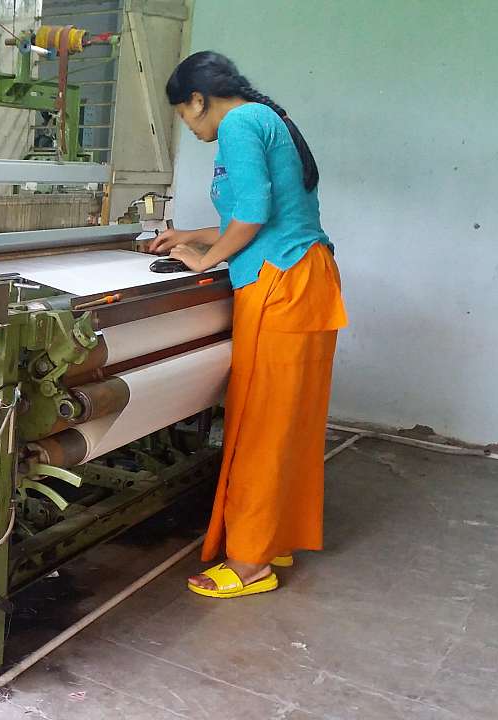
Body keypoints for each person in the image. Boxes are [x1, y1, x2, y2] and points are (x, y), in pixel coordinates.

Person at [150, 51, 347, 599]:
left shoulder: (238, 123)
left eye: (184, 116)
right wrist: (192, 235)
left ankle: (250, 563)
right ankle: (274, 537)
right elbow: (263, 217)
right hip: (304, 277)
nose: (190, 129)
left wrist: (203, 260)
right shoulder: (265, 117)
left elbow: (254, 216)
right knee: (289, 421)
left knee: (261, 422)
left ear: (198, 100)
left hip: (281, 284)